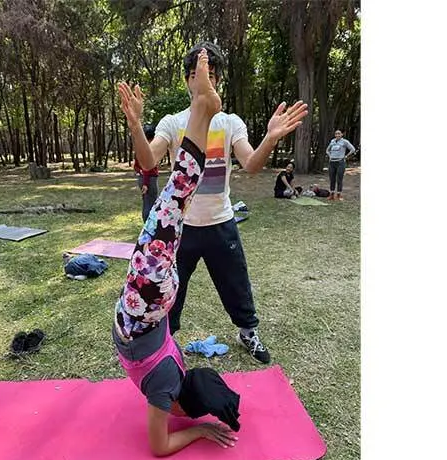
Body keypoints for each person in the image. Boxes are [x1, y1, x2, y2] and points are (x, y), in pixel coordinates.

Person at [118, 42, 309, 364]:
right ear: (187, 80)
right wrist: (136, 126)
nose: (204, 80)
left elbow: (251, 164)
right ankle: (164, 341)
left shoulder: (230, 123)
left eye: (210, 75)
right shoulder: (172, 122)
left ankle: (248, 332)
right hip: (182, 229)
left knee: (236, 283)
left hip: (221, 221)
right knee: (169, 290)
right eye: (197, 74)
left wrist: (270, 137)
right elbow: (148, 160)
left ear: (217, 81)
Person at [113, 49, 241, 457]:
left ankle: (203, 109)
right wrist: (199, 428)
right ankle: (204, 109)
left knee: (176, 196)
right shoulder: (167, 386)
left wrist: (200, 427)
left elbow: (159, 445)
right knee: (175, 198)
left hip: (148, 300)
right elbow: (161, 443)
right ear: (181, 407)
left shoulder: (170, 379)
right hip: (140, 305)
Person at [134, 124, 159, 221]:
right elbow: (147, 168)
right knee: (151, 204)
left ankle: (148, 224)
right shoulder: (149, 148)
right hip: (149, 179)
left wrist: (139, 172)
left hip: (142, 178)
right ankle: (149, 225)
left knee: (147, 202)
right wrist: (145, 183)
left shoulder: (140, 148)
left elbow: (136, 166)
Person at [325, 130, 357, 201]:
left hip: (340, 162)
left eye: (339, 134)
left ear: (342, 134)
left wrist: (346, 156)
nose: (337, 135)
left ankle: (339, 195)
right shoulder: (332, 141)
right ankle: (331, 195)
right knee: (332, 179)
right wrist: (330, 156)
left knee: (339, 179)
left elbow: (353, 149)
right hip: (332, 163)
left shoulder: (345, 142)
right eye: (336, 134)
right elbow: (327, 150)